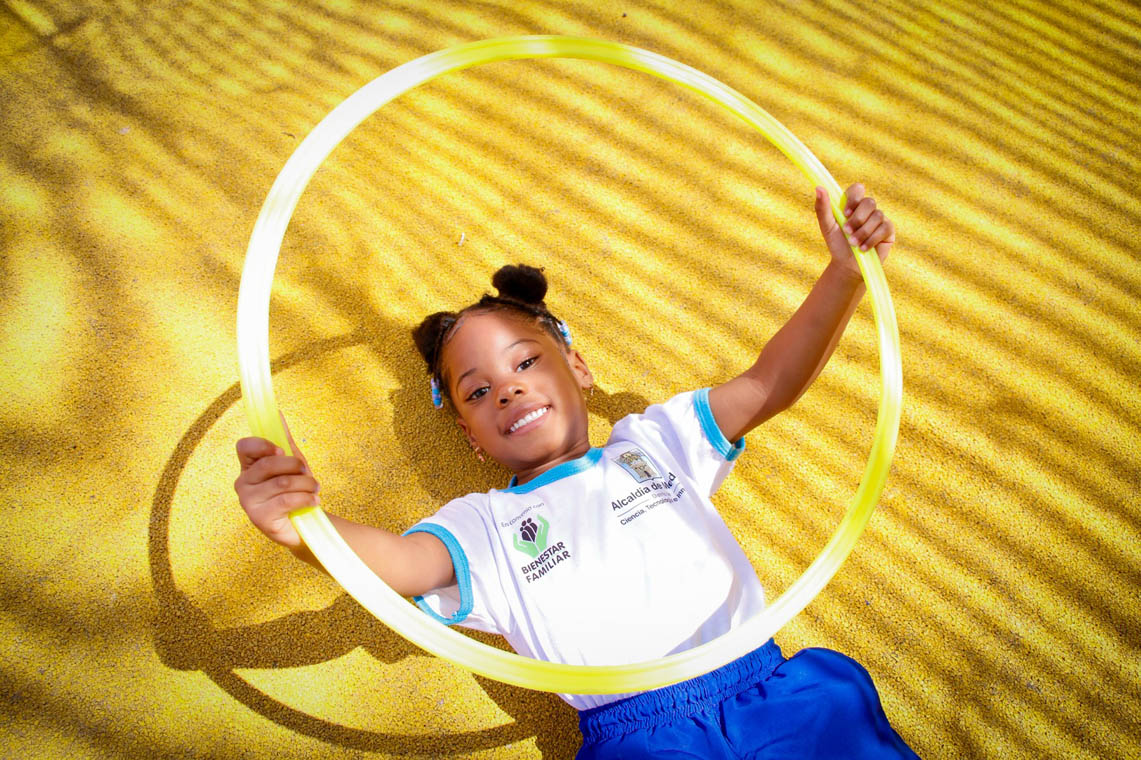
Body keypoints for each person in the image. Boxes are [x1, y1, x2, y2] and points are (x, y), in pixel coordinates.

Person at [235, 184, 919, 758]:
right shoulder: (484, 528)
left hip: (780, 698)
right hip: (641, 740)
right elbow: (398, 562)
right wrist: (302, 526)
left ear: (579, 369)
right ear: (469, 436)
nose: (506, 389)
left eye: (525, 363)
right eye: (477, 392)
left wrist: (844, 275)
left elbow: (769, 381)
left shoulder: (656, 442)